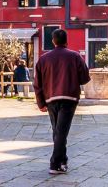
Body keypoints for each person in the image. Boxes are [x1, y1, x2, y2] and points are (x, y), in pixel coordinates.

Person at [32, 29, 91, 175]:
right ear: (67, 40)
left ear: (53, 41)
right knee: (61, 132)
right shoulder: (75, 56)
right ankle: (55, 164)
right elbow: (84, 78)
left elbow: (37, 84)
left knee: (58, 131)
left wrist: (41, 103)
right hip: (69, 98)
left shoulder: (43, 59)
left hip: (51, 99)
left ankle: (62, 160)